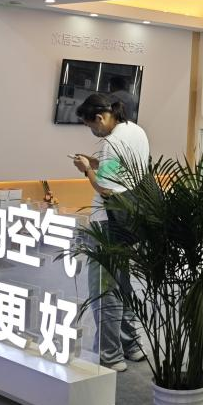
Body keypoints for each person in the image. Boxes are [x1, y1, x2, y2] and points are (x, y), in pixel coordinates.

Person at [72, 92, 149, 371]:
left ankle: (110, 355)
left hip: (108, 221)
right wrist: (95, 164)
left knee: (104, 288)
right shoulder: (135, 131)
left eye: (90, 126)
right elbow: (122, 172)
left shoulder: (111, 142)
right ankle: (131, 345)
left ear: (100, 118)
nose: (92, 132)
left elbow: (105, 188)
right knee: (121, 284)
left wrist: (86, 170)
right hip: (129, 219)